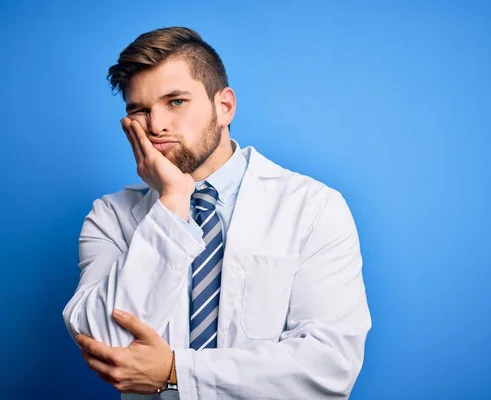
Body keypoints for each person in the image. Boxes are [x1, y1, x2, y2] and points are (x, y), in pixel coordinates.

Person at [62, 26, 372, 400]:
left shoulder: (314, 207)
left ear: (224, 106)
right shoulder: (110, 216)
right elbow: (104, 345)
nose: (156, 125)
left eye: (176, 101)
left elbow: (329, 367)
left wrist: (176, 371)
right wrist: (173, 200)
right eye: (140, 110)